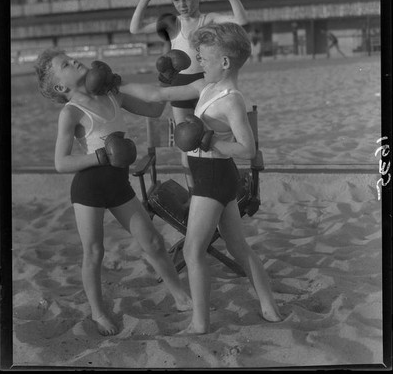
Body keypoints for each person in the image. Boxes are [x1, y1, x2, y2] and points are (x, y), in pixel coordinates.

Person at [121, 22, 282, 334]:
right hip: (215, 178)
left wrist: (211, 142)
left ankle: (200, 323)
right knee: (239, 248)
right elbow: (158, 93)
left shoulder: (232, 99)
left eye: (204, 60)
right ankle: (269, 307)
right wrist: (119, 86)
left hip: (212, 179)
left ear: (224, 63)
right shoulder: (204, 87)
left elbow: (248, 149)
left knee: (191, 251)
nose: (199, 65)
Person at [34, 50, 191, 336]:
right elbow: (60, 163)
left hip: (119, 184)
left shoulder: (112, 95)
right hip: (89, 188)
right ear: (60, 87)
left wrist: (166, 80)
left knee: (153, 242)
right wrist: (101, 156)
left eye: (71, 57)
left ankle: (181, 297)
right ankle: (97, 312)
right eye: (65, 65)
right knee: (94, 251)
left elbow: (155, 110)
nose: (74, 61)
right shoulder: (71, 112)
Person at [129, 0, 248, 191]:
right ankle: (194, 190)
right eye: (176, 0)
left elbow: (241, 20)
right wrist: (144, 0)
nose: (182, 5)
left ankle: (214, 183)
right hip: (181, 86)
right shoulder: (172, 24)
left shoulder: (209, 20)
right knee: (185, 144)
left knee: (212, 137)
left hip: (207, 85)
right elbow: (135, 29)